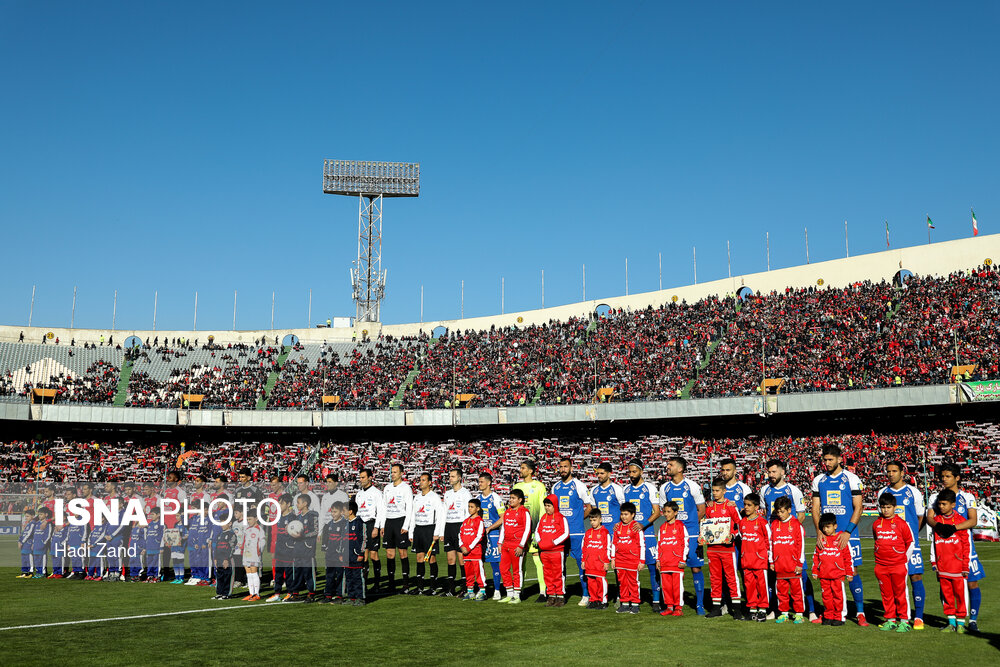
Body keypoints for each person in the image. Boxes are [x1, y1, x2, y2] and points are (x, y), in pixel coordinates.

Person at [811, 444, 866, 626]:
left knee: (852, 572)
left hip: (848, 535)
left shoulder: (851, 478)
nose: (827, 463)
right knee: (826, 574)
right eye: (825, 460)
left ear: (839, 459)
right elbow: (815, 508)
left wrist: (848, 532)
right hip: (827, 536)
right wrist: (820, 532)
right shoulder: (819, 480)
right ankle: (830, 612)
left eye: (830, 460)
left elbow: (858, 507)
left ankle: (859, 612)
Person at [926, 463, 985, 632]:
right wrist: (939, 526)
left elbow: (972, 520)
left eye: (948, 476)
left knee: (972, 584)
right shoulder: (935, 497)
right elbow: (930, 518)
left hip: (965, 549)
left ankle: (972, 620)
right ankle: (951, 621)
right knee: (946, 585)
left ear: (957, 478)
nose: (943, 479)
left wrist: (953, 528)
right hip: (944, 549)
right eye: (942, 476)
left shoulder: (967, 497)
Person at [760, 459, 815, 621]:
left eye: (773, 472)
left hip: (790, 542)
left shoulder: (794, 490)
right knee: (774, 579)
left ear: (783, 472)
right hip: (774, 543)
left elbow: (801, 514)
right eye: (769, 472)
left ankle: (810, 610)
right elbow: (765, 514)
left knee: (802, 577)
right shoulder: (765, 490)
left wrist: (788, 530)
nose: (770, 475)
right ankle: (775, 609)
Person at [876, 460, 927, 629]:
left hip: (910, 544)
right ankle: (893, 617)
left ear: (902, 473)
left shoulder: (913, 492)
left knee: (915, 577)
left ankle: (918, 617)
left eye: (894, 471)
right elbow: (881, 519)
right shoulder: (882, 492)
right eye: (888, 471)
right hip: (890, 547)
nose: (891, 474)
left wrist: (909, 534)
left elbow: (920, 516)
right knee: (893, 583)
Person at [660, 456, 704, 614]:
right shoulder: (664, 488)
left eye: (671, 465)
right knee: (672, 570)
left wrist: (691, 527)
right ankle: (672, 604)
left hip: (691, 534)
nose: (668, 467)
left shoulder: (692, 486)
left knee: (696, 569)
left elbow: (702, 509)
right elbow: (664, 510)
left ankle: (699, 604)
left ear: (680, 469)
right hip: (672, 536)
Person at [552, 458, 594, 606]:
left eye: (566, 467)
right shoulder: (555, 487)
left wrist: (578, 519)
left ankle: (586, 594)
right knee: (559, 565)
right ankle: (560, 594)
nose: (563, 469)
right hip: (559, 534)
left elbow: (589, 506)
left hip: (576, 533)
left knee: (581, 564)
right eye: (561, 467)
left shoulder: (579, 486)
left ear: (571, 468)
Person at [929, 489, 971, 633]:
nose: (941, 507)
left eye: (944, 504)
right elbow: (933, 542)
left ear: (953, 504)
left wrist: (965, 565)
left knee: (960, 596)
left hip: (958, 566)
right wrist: (934, 561)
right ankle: (951, 622)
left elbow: (966, 545)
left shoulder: (961, 522)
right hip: (942, 566)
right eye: (939, 504)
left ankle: (960, 623)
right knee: (946, 596)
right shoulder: (938, 522)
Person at [872, 493, 915, 632]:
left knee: (900, 594)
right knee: (886, 595)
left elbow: (910, 542)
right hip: (881, 566)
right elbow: (876, 541)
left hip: (898, 565)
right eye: (883, 507)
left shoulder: (902, 524)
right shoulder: (876, 524)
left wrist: (903, 560)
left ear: (895, 507)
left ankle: (904, 621)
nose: (885, 510)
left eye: (888, 507)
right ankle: (890, 620)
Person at [702, 477, 743, 619]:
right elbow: (706, 526)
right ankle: (716, 608)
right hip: (712, 549)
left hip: (727, 549)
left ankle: (737, 610)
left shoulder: (731, 506)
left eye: (717, 491)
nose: (715, 493)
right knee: (715, 578)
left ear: (724, 491)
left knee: (732, 578)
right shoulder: (709, 507)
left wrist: (733, 535)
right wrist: (703, 536)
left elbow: (740, 525)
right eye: (713, 490)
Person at [512, 460, 547, 603]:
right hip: (519, 532)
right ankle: (519, 590)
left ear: (531, 471)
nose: (520, 470)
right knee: (520, 562)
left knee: (538, 560)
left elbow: (542, 508)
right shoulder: (517, 486)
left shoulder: (539, 486)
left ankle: (543, 591)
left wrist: (539, 530)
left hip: (534, 530)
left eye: (523, 468)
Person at [811, 512, 853, 626]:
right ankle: (828, 616)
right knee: (826, 597)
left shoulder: (841, 539)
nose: (825, 529)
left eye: (828, 527)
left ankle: (840, 617)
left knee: (838, 597)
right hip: (824, 575)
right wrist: (815, 571)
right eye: (823, 527)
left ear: (835, 526)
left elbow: (848, 558)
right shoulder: (821, 540)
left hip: (838, 575)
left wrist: (849, 573)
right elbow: (816, 557)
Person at [769, 496, 805, 624]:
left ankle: (799, 613)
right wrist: (771, 561)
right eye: (778, 512)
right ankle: (783, 613)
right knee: (781, 592)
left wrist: (800, 563)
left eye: (782, 511)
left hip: (793, 565)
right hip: (779, 565)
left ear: (789, 510)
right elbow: (771, 543)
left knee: (796, 592)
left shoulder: (796, 525)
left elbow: (801, 545)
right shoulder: (774, 524)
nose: (780, 514)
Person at [379, 463, 414, 594]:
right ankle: (391, 584)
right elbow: (383, 508)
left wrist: (406, 526)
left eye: (395, 472)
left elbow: (410, 508)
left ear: (401, 474)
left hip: (400, 521)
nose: (392, 474)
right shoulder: (387, 488)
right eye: (391, 472)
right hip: (389, 522)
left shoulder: (406, 488)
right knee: (389, 554)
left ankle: (406, 584)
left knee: (403, 553)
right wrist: (382, 525)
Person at [409, 471, 446, 595]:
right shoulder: (417, 497)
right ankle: (420, 587)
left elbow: (440, 516)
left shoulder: (434, 497)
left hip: (430, 529)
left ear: (430, 482)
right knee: (419, 558)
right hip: (418, 529)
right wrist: (411, 532)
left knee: (430, 558)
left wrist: (437, 533)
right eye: (420, 480)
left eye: (424, 480)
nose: (421, 482)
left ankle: (433, 587)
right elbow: (413, 515)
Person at [739, 493, 770, 622]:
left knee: (761, 585)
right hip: (746, 560)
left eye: (749, 505)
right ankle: (752, 609)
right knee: (749, 585)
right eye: (745, 504)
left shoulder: (762, 522)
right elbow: (742, 537)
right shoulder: (742, 522)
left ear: (756, 507)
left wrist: (767, 556)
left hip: (759, 560)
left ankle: (762, 610)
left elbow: (768, 540)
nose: (746, 507)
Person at [535, 495, 570, 607]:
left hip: (556, 551)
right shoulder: (543, 518)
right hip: (545, 552)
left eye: (549, 506)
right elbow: (537, 531)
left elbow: (565, 533)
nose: (547, 508)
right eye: (545, 506)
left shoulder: (561, 518)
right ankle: (551, 595)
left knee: (558, 574)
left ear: (554, 505)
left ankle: (560, 596)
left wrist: (553, 543)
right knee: (548, 574)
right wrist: (540, 542)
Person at [442, 466, 472, 596]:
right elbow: (444, 513)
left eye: (453, 476)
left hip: (460, 527)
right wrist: (441, 531)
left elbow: (468, 514)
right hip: (449, 527)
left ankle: (466, 588)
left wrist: (465, 530)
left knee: (462, 559)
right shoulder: (447, 494)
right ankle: (451, 589)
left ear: (459, 478)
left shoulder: (466, 493)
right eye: (449, 476)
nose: (450, 478)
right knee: (450, 559)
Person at [498, 488, 530, 604]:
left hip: (517, 546)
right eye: (510, 498)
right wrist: (500, 542)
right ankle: (509, 593)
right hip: (506, 545)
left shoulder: (524, 512)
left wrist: (521, 545)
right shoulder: (507, 512)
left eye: (513, 498)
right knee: (504, 569)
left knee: (517, 570)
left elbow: (527, 529)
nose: (510, 500)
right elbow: (504, 528)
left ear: (520, 500)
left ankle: (517, 595)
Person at [476, 472, 505, 600]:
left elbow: (503, 518)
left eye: (482, 481)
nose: (479, 484)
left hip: (493, 535)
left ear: (488, 483)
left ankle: (497, 590)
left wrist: (490, 528)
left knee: (495, 564)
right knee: (479, 563)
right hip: (481, 536)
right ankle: (482, 589)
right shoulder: (478, 498)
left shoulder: (496, 498)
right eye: (479, 481)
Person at [657, 501, 688, 617]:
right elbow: (659, 544)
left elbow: (685, 543)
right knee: (666, 586)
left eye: (669, 512)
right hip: (665, 562)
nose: (666, 514)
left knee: (677, 587)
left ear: (675, 513)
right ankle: (669, 606)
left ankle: (678, 607)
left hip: (676, 563)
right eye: (664, 511)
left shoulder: (680, 526)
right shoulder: (662, 527)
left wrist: (682, 560)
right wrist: (658, 560)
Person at [355, 468, 384, 592]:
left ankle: (377, 584)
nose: (361, 480)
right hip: (361, 526)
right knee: (363, 556)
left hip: (372, 524)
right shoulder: (359, 493)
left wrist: (377, 527)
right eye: (360, 477)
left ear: (370, 478)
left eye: (363, 477)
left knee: (373, 555)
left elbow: (381, 511)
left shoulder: (376, 493)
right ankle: (364, 584)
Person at [612, 502, 643, 614]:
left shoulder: (636, 527)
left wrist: (641, 561)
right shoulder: (617, 527)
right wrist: (613, 558)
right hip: (620, 560)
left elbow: (641, 545)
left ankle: (635, 604)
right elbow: (614, 543)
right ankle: (624, 603)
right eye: (622, 514)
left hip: (632, 560)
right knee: (622, 582)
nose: (623, 517)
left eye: (626, 514)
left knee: (633, 582)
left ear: (633, 514)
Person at [266, 494, 294, 602]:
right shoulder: (279, 518)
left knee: (289, 573)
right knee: (278, 573)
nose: (279, 505)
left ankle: (290, 593)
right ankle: (277, 594)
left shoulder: (293, 518)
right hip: (279, 548)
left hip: (288, 549)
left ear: (288, 504)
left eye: (281, 503)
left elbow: (297, 534)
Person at [290, 495, 319, 601]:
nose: (296, 505)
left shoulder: (312, 515)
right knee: (297, 571)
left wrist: (303, 536)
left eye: (298, 502)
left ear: (305, 503)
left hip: (308, 548)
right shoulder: (297, 517)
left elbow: (315, 531)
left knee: (308, 572)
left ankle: (311, 593)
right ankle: (295, 592)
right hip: (297, 548)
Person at [582, 508, 612, 610]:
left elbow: (608, 547)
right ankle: (593, 600)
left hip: (600, 563)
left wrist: (606, 561)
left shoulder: (604, 532)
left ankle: (602, 601)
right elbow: (584, 547)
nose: (592, 522)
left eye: (594, 520)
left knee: (600, 581)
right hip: (589, 563)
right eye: (590, 520)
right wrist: (583, 560)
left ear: (600, 520)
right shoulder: (588, 533)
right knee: (591, 582)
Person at [320, 502, 349, 603]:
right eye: (332, 511)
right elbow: (326, 539)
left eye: (335, 512)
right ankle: (328, 595)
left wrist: (342, 553)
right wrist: (325, 549)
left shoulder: (345, 524)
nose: (333, 514)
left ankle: (340, 596)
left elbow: (345, 540)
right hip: (330, 555)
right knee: (329, 575)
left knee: (340, 574)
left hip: (339, 555)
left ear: (341, 512)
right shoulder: (329, 524)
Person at [459, 498, 487, 601]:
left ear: (478, 508)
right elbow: (460, 534)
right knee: (468, 573)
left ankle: (482, 592)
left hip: (475, 552)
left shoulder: (479, 521)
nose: (470, 509)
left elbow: (479, 536)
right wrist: (462, 546)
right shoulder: (466, 521)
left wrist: (469, 547)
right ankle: (470, 592)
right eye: (469, 507)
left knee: (479, 572)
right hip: (466, 553)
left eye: (472, 507)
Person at [240, 513, 266, 601]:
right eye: (247, 519)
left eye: (250, 519)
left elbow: (262, 542)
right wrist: (242, 550)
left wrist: (258, 552)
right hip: (246, 555)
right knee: (249, 574)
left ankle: (257, 594)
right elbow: (244, 541)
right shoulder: (247, 529)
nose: (248, 521)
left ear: (256, 519)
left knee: (254, 574)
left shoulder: (259, 530)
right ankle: (251, 593)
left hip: (254, 555)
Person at [140, 507, 165, 583]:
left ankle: (157, 576)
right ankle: (150, 576)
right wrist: (145, 548)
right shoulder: (150, 524)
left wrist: (161, 547)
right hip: (149, 547)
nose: (151, 516)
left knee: (156, 562)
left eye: (153, 514)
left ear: (158, 515)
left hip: (157, 547)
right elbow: (147, 537)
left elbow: (163, 536)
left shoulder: (161, 524)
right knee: (149, 562)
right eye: (151, 514)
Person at [213, 519, 236, 600]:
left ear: (230, 523)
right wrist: (215, 558)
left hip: (227, 559)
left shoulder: (231, 534)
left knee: (227, 576)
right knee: (219, 576)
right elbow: (216, 547)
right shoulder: (220, 534)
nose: (222, 525)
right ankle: (219, 593)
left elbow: (231, 548)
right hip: (219, 559)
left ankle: (227, 594)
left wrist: (226, 559)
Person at [17, 508, 36, 578]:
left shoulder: (33, 524)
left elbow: (29, 534)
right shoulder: (28, 524)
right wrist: (19, 541)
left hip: (28, 544)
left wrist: (22, 542)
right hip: (24, 544)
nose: (26, 518)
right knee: (24, 558)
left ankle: (31, 572)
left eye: (28, 516)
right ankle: (24, 572)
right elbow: (23, 533)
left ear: (33, 516)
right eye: (25, 516)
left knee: (29, 558)